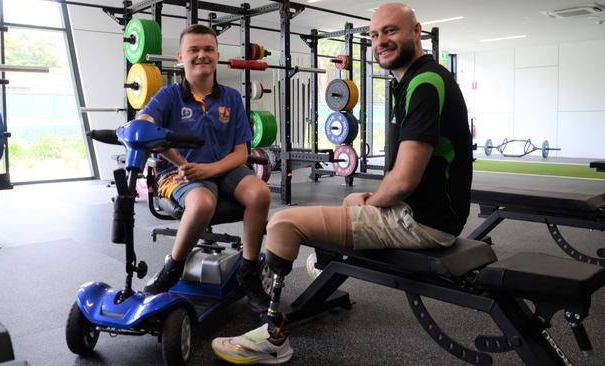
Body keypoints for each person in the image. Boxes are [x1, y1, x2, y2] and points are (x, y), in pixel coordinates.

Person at [210, 2, 473, 364]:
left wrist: (379, 199)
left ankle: (272, 335)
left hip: (423, 223)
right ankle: (325, 262)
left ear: (416, 31)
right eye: (375, 34)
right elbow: (404, 180)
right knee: (352, 202)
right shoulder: (419, 78)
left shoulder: (425, 83)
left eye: (391, 31)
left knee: (283, 223)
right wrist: (373, 198)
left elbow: (404, 180)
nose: (381, 40)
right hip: (431, 213)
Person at [139, 24, 272, 313]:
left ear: (217, 55)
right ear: (180, 57)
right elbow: (146, 125)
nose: (202, 55)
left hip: (223, 169)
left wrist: (209, 170)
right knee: (201, 203)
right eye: (194, 50)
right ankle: (172, 268)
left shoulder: (231, 98)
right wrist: (182, 163)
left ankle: (248, 273)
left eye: (208, 49)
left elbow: (241, 154)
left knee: (260, 193)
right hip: (179, 172)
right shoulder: (168, 96)